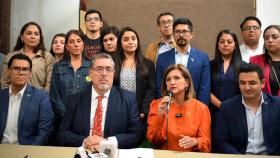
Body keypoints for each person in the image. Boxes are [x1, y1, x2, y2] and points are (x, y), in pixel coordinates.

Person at [57, 53, 144, 149]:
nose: (104, 73)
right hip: (83, 151)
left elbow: (137, 134)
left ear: (113, 73)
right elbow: (62, 134)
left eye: (108, 69)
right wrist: (85, 141)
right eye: (99, 69)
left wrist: (106, 142)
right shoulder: (75, 100)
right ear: (90, 73)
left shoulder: (128, 99)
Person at [216, 63, 280, 155]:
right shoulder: (227, 107)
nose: (247, 87)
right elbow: (221, 142)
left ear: (262, 83)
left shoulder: (277, 105)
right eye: (242, 83)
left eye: (252, 83)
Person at [147, 64, 211, 152]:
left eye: (177, 78)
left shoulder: (201, 108)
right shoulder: (158, 105)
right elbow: (154, 141)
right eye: (168, 79)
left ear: (187, 83)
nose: (172, 82)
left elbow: (206, 144)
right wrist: (160, 116)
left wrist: (196, 141)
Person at [0, 53, 53, 145]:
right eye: (16, 68)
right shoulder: (1, 96)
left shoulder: (41, 97)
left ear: (30, 73)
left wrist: (30, 151)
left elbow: (44, 132)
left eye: (25, 69)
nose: (21, 72)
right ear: (8, 71)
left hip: (27, 150)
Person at [156, 18, 210, 106]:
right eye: (177, 32)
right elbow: (159, 87)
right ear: (173, 34)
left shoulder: (202, 58)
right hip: (170, 108)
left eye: (184, 32)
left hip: (194, 109)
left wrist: (201, 110)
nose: (181, 35)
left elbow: (205, 88)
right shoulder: (162, 58)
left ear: (191, 35)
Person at [50, 30, 90, 140]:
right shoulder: (58, 67)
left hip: (86, 118)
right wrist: (67, 115)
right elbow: (54, 96)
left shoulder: (92, 66)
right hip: (62, 119)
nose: (76, 44)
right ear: (67, 47)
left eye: (79, 41)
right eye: (72, 42)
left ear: (84, 44)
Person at [114, 27, 156, 126]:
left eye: (133, 38)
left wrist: (143, 111)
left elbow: (151, 89)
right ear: (120, 44)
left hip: (139, 112)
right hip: (117, 110)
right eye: (126, 39)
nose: (130, 42)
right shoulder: (113, 63)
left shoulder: (148, 64)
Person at [210, 29, 243, 152]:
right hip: (213, 113)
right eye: (222, 41)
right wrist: (221, 105)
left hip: (236, 113)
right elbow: (205, 88)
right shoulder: (209, 65)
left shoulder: (243, 66)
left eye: (229, 42)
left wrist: (228, 107)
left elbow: (245, 91)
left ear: (235, 45)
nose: (225, 44)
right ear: (217, 45)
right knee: (214, 146)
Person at [1, 22, 54, 92]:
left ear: (40, 38)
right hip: (15, 98)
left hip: (39, 99)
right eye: (29, 33)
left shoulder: (47, 57)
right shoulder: (11, 56)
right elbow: (5, 82)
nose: (33, 37)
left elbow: (49, 84)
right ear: (22, 37)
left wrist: (42, 99)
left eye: (36, 34)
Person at [250, 25, 280, 96]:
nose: (270, 40)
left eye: (274, 37)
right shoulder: (255, 60)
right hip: (264, 104)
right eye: (266, 38)